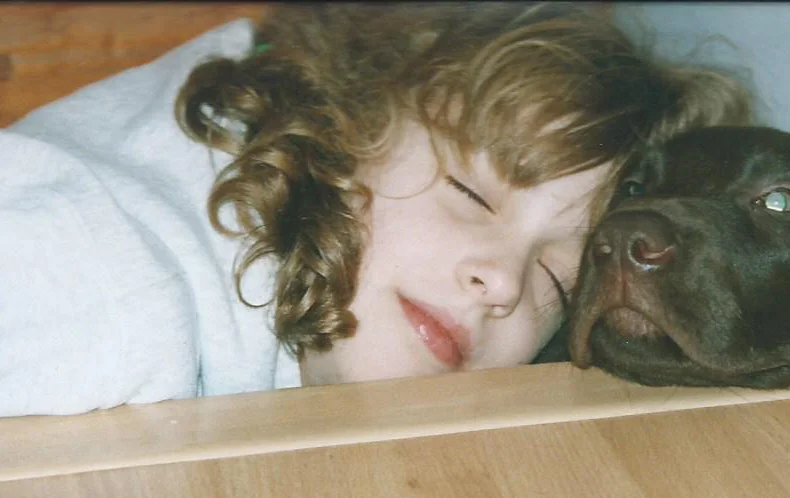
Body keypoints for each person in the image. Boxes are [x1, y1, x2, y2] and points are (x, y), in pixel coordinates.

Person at [0, 3, 752, 416]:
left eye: (556, 278)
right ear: (344, 129)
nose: (501, 279)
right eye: (471, 194)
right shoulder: (91, 298)